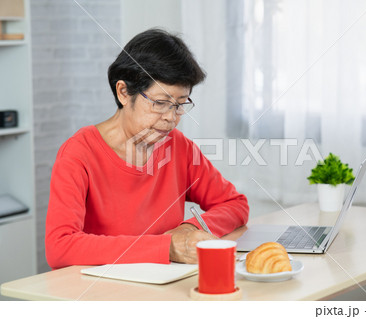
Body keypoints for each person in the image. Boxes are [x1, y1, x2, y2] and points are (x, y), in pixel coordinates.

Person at [45, 29, 249, 269]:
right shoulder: (79, 153)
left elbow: (235, 205)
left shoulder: (177, 145)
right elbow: (59, 248)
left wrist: (189, 228)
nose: (171, 118)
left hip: (165, 285)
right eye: (160, 103)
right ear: (123, 92)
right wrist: (166, 247)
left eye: (180, 105)